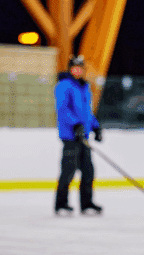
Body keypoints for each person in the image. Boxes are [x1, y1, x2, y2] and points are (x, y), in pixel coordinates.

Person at [54, 55, 103, 216]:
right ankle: (61, 205)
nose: (77, 71)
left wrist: (95, 127)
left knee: (88, 171)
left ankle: (87, 204)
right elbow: (63, 109)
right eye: (74, 68)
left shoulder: (84, 87)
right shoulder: (64, 85)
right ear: (70, 69)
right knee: (68, 171)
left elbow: (87, 112)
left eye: (80, 68)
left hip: (83, 136)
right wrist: (75, 125)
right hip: (70, 137)